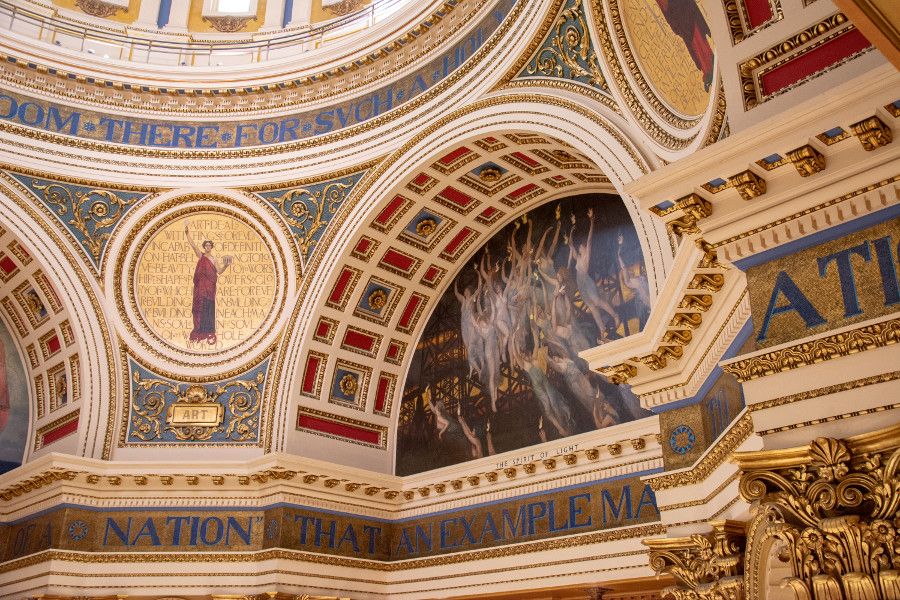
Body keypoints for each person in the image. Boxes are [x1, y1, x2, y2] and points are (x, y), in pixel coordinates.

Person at [185, 221, 232, 345]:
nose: (207, 247)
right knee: (200, 307)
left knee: (209, 307)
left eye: (209, 245)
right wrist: (187, 233)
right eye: (205, 245)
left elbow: (219, 271)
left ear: (211, 247)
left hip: (210, 289)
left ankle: (208, 330)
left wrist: (226, 265)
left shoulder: (213, 259)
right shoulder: (201, 256)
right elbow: (193, 246)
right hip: (201, 288)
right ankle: (199, 330)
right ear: (204, 247)